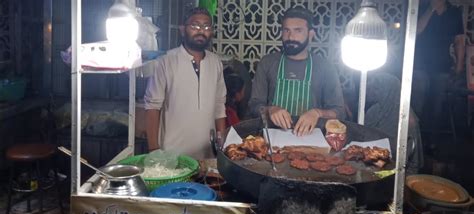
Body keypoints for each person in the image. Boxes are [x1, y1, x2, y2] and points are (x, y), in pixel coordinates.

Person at [248, 6, 346, 137]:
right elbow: (253, 106)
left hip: (312, 140)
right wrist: (270, 110)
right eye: (286, 30)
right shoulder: (267, 63)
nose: (291, 37)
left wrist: (317, 113)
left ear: (311, 35)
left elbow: (339, 112)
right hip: (272, 138)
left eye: (298, 31)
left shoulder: (325, 67)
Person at [144, 7, 226, 159]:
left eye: (206, 26)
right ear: (183, 30)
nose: (201, 31)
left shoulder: (216, 63)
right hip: (172, 156)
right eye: (195, 26)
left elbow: (219, 106)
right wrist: (154, 151)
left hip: (207, 154)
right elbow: (152, 108)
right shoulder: (165, 62)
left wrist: (222, 145)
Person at [412, 0, 465, 147]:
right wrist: (430, 10)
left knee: (437, 107)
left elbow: (459, 40)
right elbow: (415, 31)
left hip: (441, 66)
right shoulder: (421, 8)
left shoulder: (454, 12)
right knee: (418, 104)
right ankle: (415, 142)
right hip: (419, 64)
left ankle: (432, 144)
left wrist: (459, 67)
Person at [366, 72, 424, 174]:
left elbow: (413, 160)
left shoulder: (407, 117)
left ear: (389, 91)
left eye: (378, 89)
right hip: (369, 167)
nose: (374, 92)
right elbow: (363, 140)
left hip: (396, 172)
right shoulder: (373, 112)